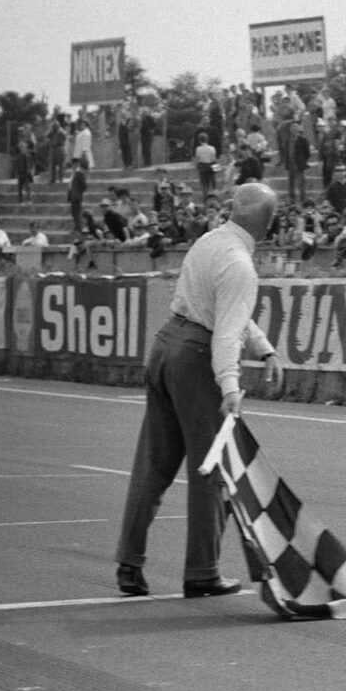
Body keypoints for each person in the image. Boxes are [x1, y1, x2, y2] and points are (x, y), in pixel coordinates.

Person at [113, 182, 284, 599]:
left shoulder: (208, 242)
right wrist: (230, 385)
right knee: (212, 468)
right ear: (269, 223)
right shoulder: (242, 265)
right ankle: (202, 571)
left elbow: (223, 311)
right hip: (196, 356)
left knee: (152, 464)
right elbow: (226, 331)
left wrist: (263, 349)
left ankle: (129, 562)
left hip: (167, 343)